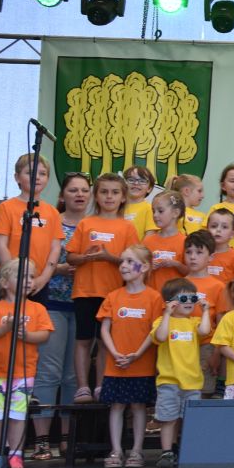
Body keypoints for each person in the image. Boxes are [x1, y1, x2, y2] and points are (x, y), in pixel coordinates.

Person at [30, 172, 90, 460]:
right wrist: (58, 269)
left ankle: (68, 438)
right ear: (62, 194)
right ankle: (42, 439)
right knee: (48, 371)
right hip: (52, 302)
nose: (79, 195)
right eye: (73, 190)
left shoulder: (94, 224)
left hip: (83, 304)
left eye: (84, 190)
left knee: (72, 375)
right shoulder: (51, 220)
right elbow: (36, 261)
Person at [67, 172, 138, 403]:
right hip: (85, 291)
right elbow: (70, 257)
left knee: (104, 341)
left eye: (115, 192)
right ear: (96, 196)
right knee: (83, 339)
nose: (109, 197)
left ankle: (100, 386)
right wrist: (85, 258)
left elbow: (134, 263)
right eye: (104, 192)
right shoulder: (86, 223)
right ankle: (82, 387)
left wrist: (110, 258)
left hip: (114, 295)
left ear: (123, 197)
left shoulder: (127, 227)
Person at [97, 245, 163, 468]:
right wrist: (115, 352)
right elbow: (105, 329)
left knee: (138, 406)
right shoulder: (113, 296)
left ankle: (136, 450)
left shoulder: (154, 298)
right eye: (122, 261)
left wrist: (137, 354)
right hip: (116, 364)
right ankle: (116, 450)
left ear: (143, 267)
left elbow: (155, 330)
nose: (123, 265)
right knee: (116, 406)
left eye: (129, 261)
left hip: (141, 364)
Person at [0, 259, 53, 468]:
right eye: (22, 276)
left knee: (17, 416)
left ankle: (15, 455)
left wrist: (27, 335)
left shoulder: (37, 308)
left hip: (24, 373)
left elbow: (44, 335)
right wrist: (4, 329)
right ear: (5, 283)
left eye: (31, 276)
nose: (28, 280)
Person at [0, 153, 63, 326]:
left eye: (42, 174)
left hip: (37, 283)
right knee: (3, 329)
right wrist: (14, 276)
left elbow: (55, 248)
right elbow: (0, 245)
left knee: (33, 329)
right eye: (30, 173)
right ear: (17, 177)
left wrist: (43, 278)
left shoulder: (52, 212)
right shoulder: (6, 208)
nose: (37, 177)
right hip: (9, 283)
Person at [150, 278, 212, 468]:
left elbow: (205, 330)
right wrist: (167, 314)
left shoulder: (194, 322)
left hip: (192, 381)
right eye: (183, 298)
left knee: (190, 420)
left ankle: (189, 451)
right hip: (169, 380)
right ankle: (167, 452)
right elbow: (160, 336)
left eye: (193, 298)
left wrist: (206, 311)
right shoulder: (162, 321)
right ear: (170, 302)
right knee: (168, 418)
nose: (189, 302)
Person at [182, 229, 229, 396]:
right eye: (189, 252)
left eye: (199, 252)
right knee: (182, 390)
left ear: (210, 257)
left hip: (206, 345)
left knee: (204, 392)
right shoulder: (179, 284)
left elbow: (222, 324)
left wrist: (217, 352)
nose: (193, 257)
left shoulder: (218, 286)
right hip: (181, 344)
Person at [144, 191, 187, 294]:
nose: (155, 215)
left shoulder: (185, 242)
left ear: (175, 213)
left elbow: (191, 272)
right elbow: (137, 269)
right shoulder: (147, 241)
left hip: (175, 298)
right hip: (151, 297)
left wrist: (176, 264)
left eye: (160, 211)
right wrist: (148, 266)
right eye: (153, 211)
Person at [205, 209, 234, 286]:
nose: (218, 230)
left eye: (224, 227)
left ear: (232, 234)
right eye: (214, 226)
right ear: (207, 230)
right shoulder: (201, 254)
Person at [121, 165, 157, 238]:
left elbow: (150, 238)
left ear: (149, 188)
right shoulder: (116, 207)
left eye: (142, 181)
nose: (136, 183)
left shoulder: (150, 209)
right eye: (131, 180)